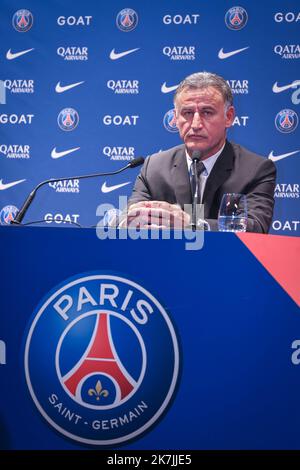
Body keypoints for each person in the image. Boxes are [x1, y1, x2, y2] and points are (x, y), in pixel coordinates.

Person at [124, 71, 276, 232]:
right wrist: (131, 219)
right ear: (175, 118)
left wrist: (192, 223)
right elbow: (129, 218)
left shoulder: (255, 170)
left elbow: (256, 227)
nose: (195, 124)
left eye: (207, 112)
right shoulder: (154, 167)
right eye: (187, 113)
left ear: (229, 117)